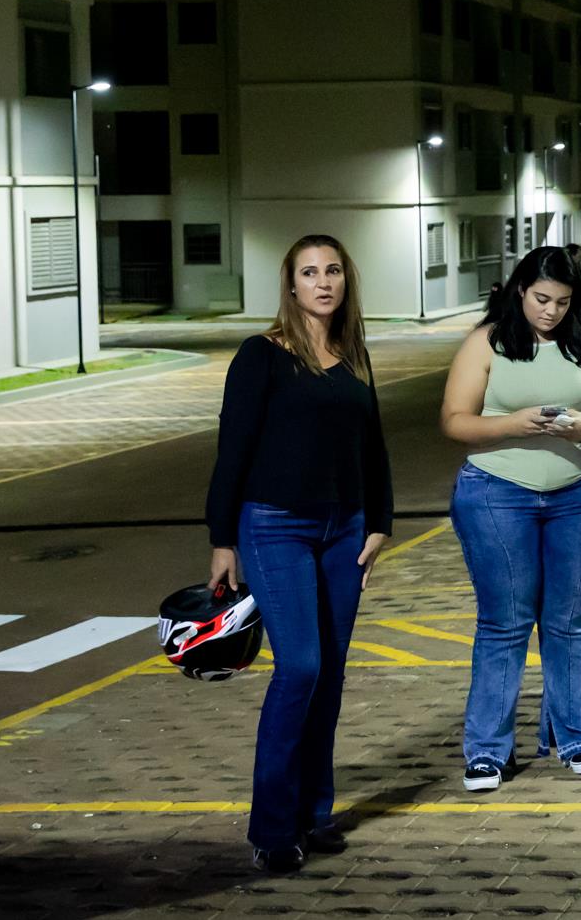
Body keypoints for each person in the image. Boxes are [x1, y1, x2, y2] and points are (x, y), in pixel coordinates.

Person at [206, 234, 395, 873]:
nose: (323, 282)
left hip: (346, 531)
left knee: (332, 675)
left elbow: (371, 445)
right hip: (274, 526)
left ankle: (316, 814)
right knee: (302, 669)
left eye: (333, 270)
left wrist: (379, 521)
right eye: (309, 272)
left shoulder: (352, 353)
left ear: (347, 280)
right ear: (290, 285)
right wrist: (222, 539)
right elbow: (232, 449)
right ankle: (272, 828)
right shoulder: (262, 355)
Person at [440, 247, 581, 793]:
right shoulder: (487, 340)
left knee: (569, 621)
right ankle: (488, 752)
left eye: (563, 303)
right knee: (505, 623)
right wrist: (514, 424)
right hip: (497, 494)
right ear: (520, 290)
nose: (550, 312)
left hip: (580, 495)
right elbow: (454, 421)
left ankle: (575, 738)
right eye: (541, 299)